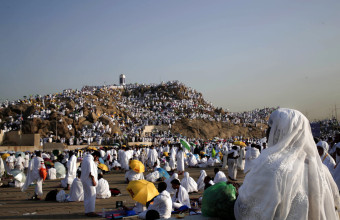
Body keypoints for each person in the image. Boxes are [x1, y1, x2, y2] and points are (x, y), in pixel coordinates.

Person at [234, 108, 340, 219]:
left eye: (272, 128)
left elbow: (246, 208)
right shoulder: (322, 170)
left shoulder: (270, 165)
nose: (268, 132)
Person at [81, 151, 100, 217]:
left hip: (84, 180)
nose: (97, 159)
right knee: (92, 196)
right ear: (95, 156)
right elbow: (90, 172)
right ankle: (91, 211)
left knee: (87, 196)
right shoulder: (90, 160)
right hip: (89, 180)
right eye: (97, 158)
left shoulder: (86, 159)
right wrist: (93, 180)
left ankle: (87, 211)